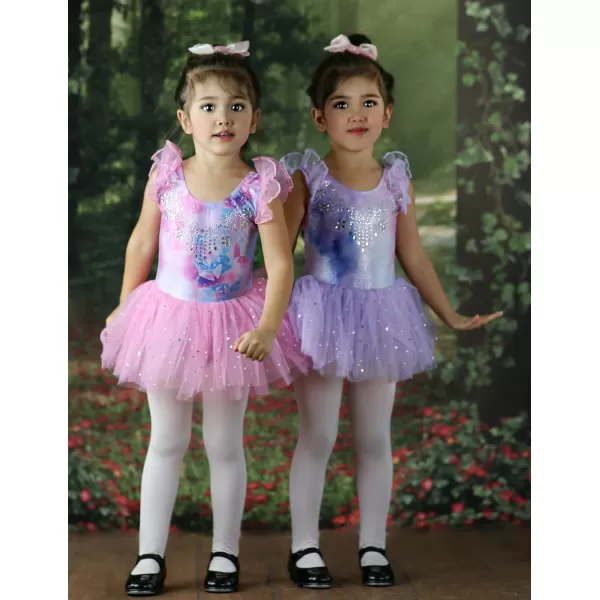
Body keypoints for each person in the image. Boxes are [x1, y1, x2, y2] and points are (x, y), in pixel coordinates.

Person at [281, 33, 503, 589]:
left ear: (388, 113)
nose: (357, 114)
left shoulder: (395, 179)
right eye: (342, 104)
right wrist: (259, 316)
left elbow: (413, 255)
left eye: (369, 102)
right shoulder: (309, 178)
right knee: (318, 436)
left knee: (375, 439)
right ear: (319, 117)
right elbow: (278, 254)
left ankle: (373, 545)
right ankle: (304, 548)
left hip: (381, 316)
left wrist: (449, 315)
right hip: (321, 316)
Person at [101, 40, 308, 596]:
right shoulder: (168, 175)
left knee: (224, 443)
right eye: (209, 106)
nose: (223, 118)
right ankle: (150, 555)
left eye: (237, 107)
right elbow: (142, 241)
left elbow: (280, 264)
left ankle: (224, 553)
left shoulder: (259, 185)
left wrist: (267, 327)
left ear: (254, 120)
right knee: (166, 440)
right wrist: (125, 301)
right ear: (185, 118)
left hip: (233, 327)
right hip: (168, 320)